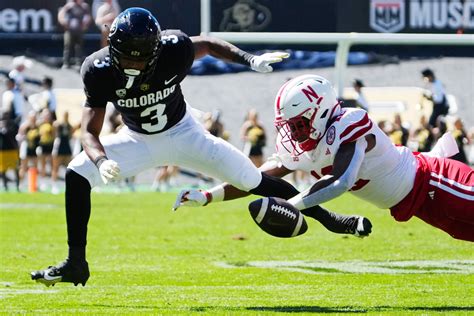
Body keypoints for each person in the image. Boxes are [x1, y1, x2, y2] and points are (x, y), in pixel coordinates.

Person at [30, 7, 291, 287]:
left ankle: (327, 215)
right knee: (77, 173)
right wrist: (100, 161)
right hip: (137, 140)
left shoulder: (173, 48)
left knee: (251, 179)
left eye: (140, 59)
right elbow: (89, 132)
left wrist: (249, 59)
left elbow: (208, 43)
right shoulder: (97, 68)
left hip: (184, 133)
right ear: (112, 48)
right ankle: (76, 262)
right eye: (126, 56)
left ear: (156, 50)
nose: (133, 65)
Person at [174, 74, 474, 243]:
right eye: (290, 125)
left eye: (299, 123)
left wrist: (289, 206)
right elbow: (253, 178)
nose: (294, 131)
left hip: (433, 179)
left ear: (320, 110)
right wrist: (207, 196)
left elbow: (340, 181)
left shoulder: (348, 123)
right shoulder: (303, 144)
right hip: (416, 203)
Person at [58, 0, 92, 69]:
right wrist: (64, 22)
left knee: (79, 47)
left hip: (79, 30)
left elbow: (88, 16)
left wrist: (85, 25)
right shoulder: (69, 6)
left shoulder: (84, 6)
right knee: (67, 46)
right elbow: (61, 14)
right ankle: (66, 63)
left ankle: (78, 63)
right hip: (69, 30)